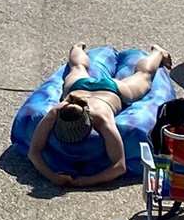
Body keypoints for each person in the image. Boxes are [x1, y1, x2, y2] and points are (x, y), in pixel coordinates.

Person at [27, 42, 172, 188]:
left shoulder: (100, 118)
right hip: (82, 87)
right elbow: (33, 153)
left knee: (144, 76)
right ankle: (77, 48)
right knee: (79, 68)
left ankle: (158, 53)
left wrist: (84, 182)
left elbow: (119, 166)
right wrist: (53, 177)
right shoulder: (58, 111)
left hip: (112, 90)